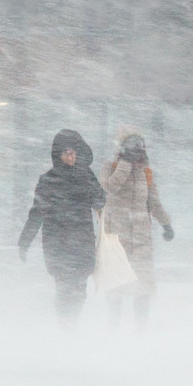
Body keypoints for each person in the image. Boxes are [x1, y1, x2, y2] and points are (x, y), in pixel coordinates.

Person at [18, 129, 106, 329]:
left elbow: (100, 200)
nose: (71, 156)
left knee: (80, 289)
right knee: (64, 288)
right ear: (59, 155)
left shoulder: (85, 177)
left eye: (74, 153)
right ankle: (66, 327)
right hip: (58, 243)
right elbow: (37, 213)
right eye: (67, 153)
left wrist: (89, 178)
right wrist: (25, 241)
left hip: (82, 242)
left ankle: (70, 325)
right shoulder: (48, 180)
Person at [100, 130, 173, 329]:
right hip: (117, 237)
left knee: (143, 286)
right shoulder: (111, 167)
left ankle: (141, 329)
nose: (137, 155)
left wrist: (166, 223)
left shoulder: (146, 174)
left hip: (141, 239)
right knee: (116, 286)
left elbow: (154, 202)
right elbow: (109, 187)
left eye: (139, 151)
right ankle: (113, 327)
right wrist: (124, 165)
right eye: (132, 150)